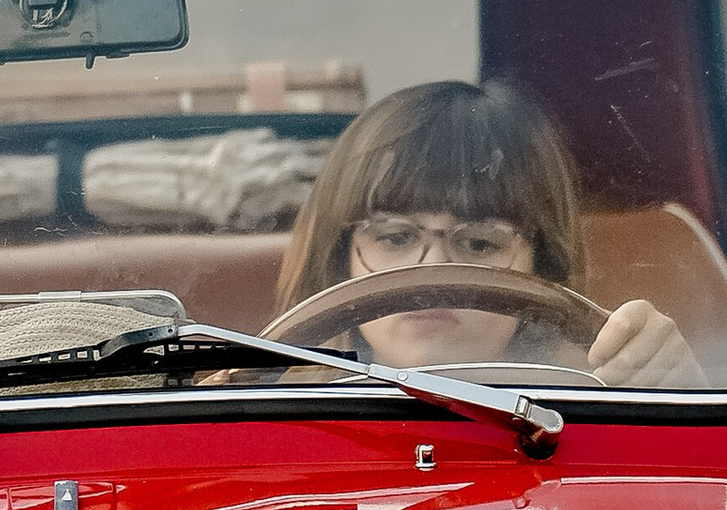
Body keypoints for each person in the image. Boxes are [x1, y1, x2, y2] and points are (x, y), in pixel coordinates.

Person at [272, 78, 702, 388]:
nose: (434, 271)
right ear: (340, 256)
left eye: (479, 243)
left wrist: (675, 394)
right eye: (395, 237)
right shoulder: (258, 411)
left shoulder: (599, 404)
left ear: (543, 267)